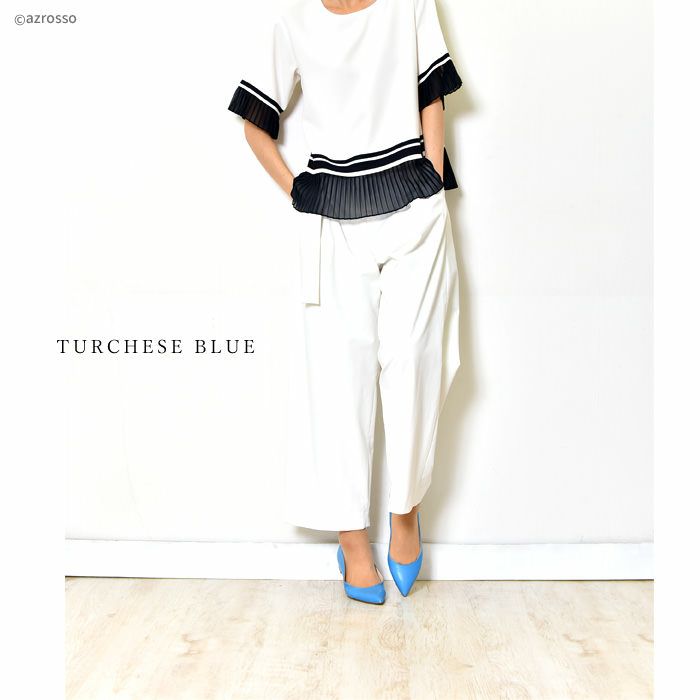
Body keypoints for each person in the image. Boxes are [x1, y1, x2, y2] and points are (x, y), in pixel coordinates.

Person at [228, 0, 462, 604]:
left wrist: (432, 179)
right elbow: (255, 121)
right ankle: (352, 540)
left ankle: (405, 512)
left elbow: (431, 93)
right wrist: (297, 191)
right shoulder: (292, 15)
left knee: (414, 362)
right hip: (332, 218)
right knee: (339, 379)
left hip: (414, 205)